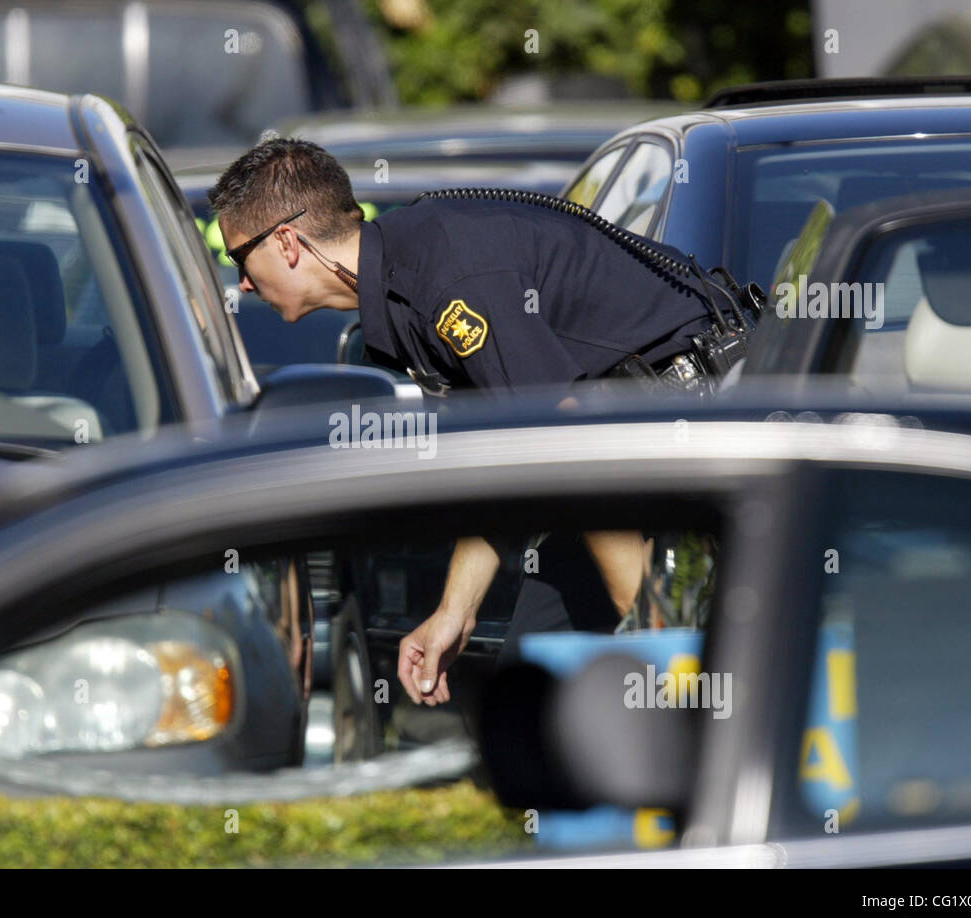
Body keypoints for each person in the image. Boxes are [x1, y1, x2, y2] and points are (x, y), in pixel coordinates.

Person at [208, 138, 724, 708]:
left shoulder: (447, 277)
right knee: (533, 693)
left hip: (691, 447)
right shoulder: (406, 284)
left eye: (239, 258)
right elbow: (517, 455)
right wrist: (455, 612)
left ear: (286, 241)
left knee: (655, 687)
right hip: (612, 467)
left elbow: (563, 438)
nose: (243, 285)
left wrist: (647, 618)